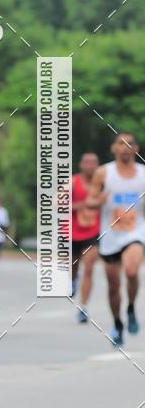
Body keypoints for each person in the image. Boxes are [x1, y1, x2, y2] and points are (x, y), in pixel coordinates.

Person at [87, 132, 145, 346]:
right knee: (113, 288)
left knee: (131, 270)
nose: (125, 147)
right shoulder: (104, 173)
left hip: (135, 232)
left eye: (129, 144)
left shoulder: (143, 174)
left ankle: (130, 308)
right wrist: (99, 199)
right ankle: (118, 323)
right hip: (110, 235)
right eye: (120, 144)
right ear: (114, 148)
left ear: (136, 149)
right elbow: (91, 201)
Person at [70, 153, 100, 323]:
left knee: (89, 267)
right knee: (74, 267)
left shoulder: (102, 183)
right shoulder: (73, 182)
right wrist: (78, 206)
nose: (90, 165)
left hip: (93, 233)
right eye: (87, 162)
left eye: (93, 162)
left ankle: (83, 308)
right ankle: (73, 281)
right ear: (81, 164)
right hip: (73, 233)